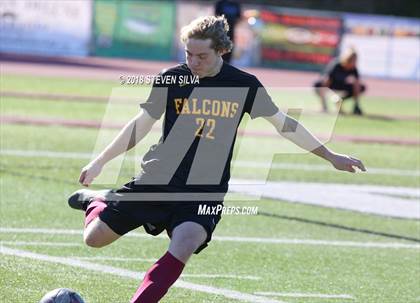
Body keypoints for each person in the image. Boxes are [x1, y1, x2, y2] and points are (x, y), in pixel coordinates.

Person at [68, 16, 366, 303]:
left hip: (204, 188)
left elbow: (284, 124)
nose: (193, 63)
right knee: (94, 239)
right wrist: (100, 161)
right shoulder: (171, 78)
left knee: (185, 243)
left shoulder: (244, 84)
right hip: (159, 178)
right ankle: (96, 202)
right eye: (188, 54)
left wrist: (329, 155)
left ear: (221, 50)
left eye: (202, 56)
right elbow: (141, 124)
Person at [314, 47, 367, 115]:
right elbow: (327, 79)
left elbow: (357, 83)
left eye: (354, 61)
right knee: (317, 85)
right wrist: (326, 93)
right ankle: (324, 106)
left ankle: (339, 100)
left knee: (361, 87)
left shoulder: (353, 69)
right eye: (351, 60)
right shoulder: (336, 65)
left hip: (344, 86)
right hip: (332, 85)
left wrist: (356, 104)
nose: (353, 63)